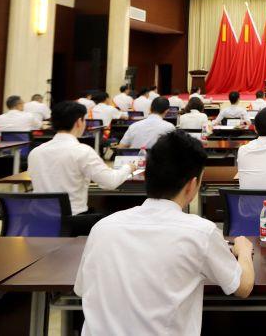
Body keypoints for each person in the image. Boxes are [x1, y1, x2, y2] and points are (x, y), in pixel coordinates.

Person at [75, 130, 254, 335]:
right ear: (192, 185)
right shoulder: (200, 233)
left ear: (146, 176)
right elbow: (243, 287)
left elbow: (81, 290)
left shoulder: (102, 228)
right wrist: (244, 251)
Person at [28, 102, 135, 226]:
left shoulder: (35, 152)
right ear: (79, 122)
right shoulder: (82, 151)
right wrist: (128, 167)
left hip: (38, 221)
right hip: (73, 222)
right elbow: (110, 182)